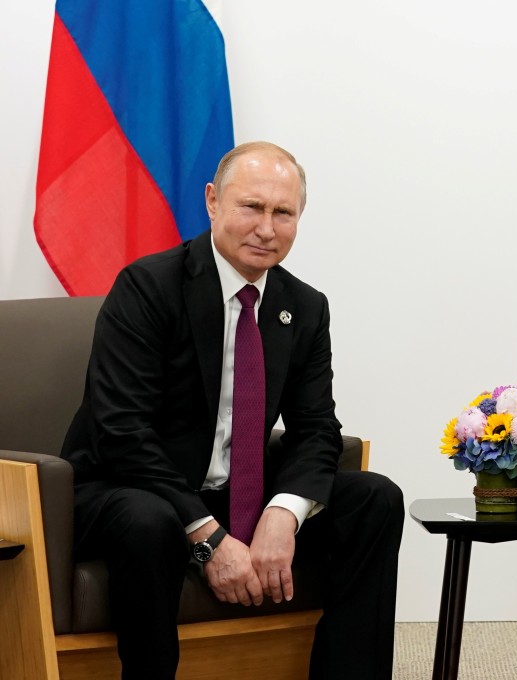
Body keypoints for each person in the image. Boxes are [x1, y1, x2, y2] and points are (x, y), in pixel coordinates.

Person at [61, 141, 404, 679]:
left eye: (283, 212)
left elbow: (317, 428)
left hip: (234, 490)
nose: (267, 228)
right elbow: (120, 430)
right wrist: (208, 537)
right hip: (126, 487)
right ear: (213, 202)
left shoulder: (305, 306)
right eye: (252, 207)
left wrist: (283, 514)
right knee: (150, 520)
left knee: (375, 498)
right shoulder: (148, 287)